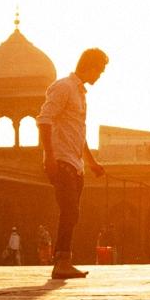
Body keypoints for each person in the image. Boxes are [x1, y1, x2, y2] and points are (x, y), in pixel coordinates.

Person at [37, 47, 109, 279]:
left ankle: (63, 260)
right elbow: (44, 120)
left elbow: (78, 132)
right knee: (69, 211)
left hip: (75, 163)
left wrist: (92, 162)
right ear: (89, 66)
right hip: (62, 160)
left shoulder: (79, 93)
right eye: (99, 70)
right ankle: (61, 262)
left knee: (73, 213)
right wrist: (49, 156)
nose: (100, 76)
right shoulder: (64, 87)